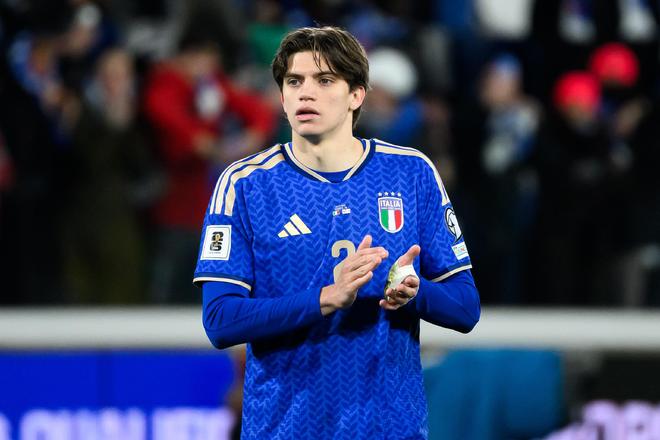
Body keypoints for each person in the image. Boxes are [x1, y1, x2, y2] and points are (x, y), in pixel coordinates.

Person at [194, 26, 480, 439]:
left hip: (390, 431)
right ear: (282, 97)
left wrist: (414, 292)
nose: (305, 93)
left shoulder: (411, 173)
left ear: (356, 95)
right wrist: (327, 298)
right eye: (294, 82)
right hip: (284, 431)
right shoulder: (245, 184)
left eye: (324, 80)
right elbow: (220, 320)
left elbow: (466, 308)